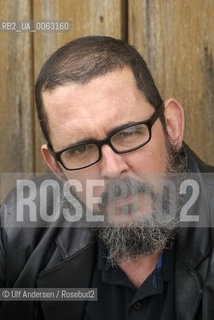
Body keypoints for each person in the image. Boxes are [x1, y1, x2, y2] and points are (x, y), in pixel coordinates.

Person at [0, 36, 213, 320]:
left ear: (172, 126)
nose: (111, 169)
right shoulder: (18, 231)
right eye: (80, 149)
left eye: (127, 133)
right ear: (57, 167)